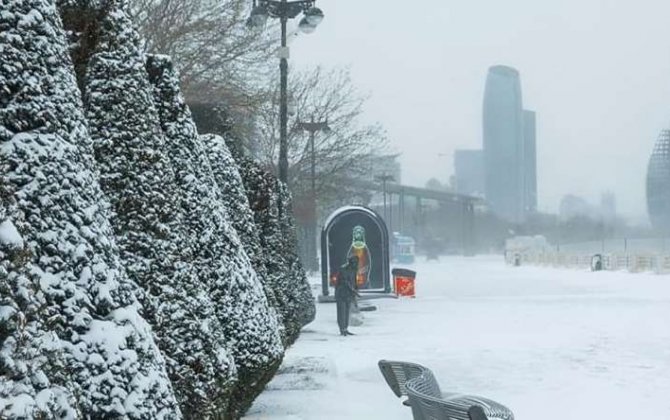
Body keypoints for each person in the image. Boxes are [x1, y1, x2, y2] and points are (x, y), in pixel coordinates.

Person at [336, 255, 359, 336]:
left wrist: (356, 289)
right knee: (341, 312)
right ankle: (342, 329)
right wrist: (353, 290)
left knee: (346, 312)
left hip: (349, 294)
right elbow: (345, 281)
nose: (356, 264)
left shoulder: (354, 269)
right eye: (355, 262)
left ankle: (345, 328)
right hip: (341, 293)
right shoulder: (343, 269)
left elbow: (354, 281)